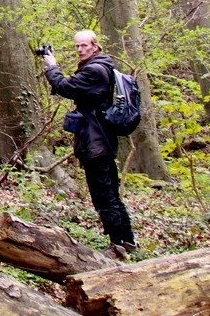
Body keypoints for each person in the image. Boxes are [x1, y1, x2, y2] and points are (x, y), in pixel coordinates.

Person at [41, 29, 137, 259]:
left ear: (95, 46)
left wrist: (51, 66)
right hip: (99, 138)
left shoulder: (95, 70)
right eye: (77, 46)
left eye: (84, 46)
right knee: (111, 193)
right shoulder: (101, 67)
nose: (80, 50)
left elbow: (66, 87)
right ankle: (127, 241)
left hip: (96, 142)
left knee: (104, 196)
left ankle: (118, 245)